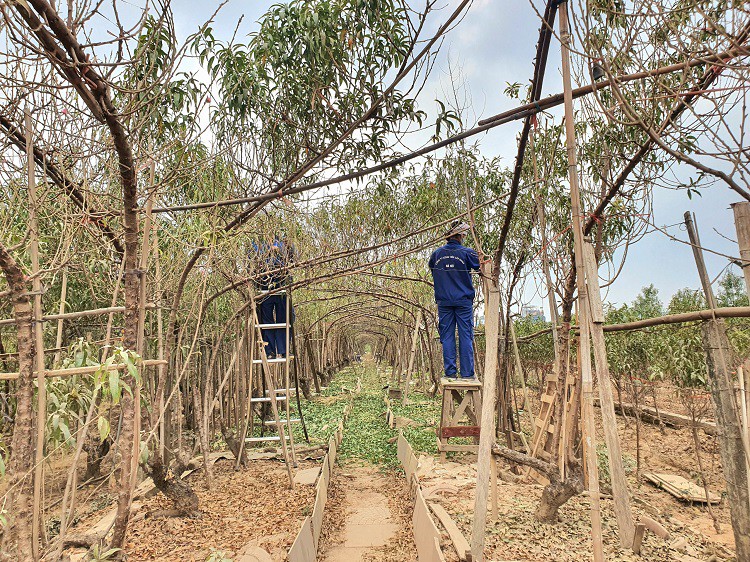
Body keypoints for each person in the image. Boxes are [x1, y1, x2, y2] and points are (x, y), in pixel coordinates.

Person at [428, 220, 480, 379]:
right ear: (461, 235)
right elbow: (480, 266)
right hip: (463, 301)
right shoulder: (467, 252)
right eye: (464, 234)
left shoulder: (436, 254)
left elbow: (432, 268)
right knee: (465, 335)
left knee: (448, 336)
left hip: (444, 301)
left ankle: (450, 373)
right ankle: (467, 373)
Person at [251, 235, 295, 358]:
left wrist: (279, 250)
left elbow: (291, 256)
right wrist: (269, 251)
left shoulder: (284, 240)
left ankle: (284, 349)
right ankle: (269, 351)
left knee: (285, 317)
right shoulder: (257, 242)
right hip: (263, 284)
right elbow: (251, 258)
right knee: (266, 319)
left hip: (282, 282)